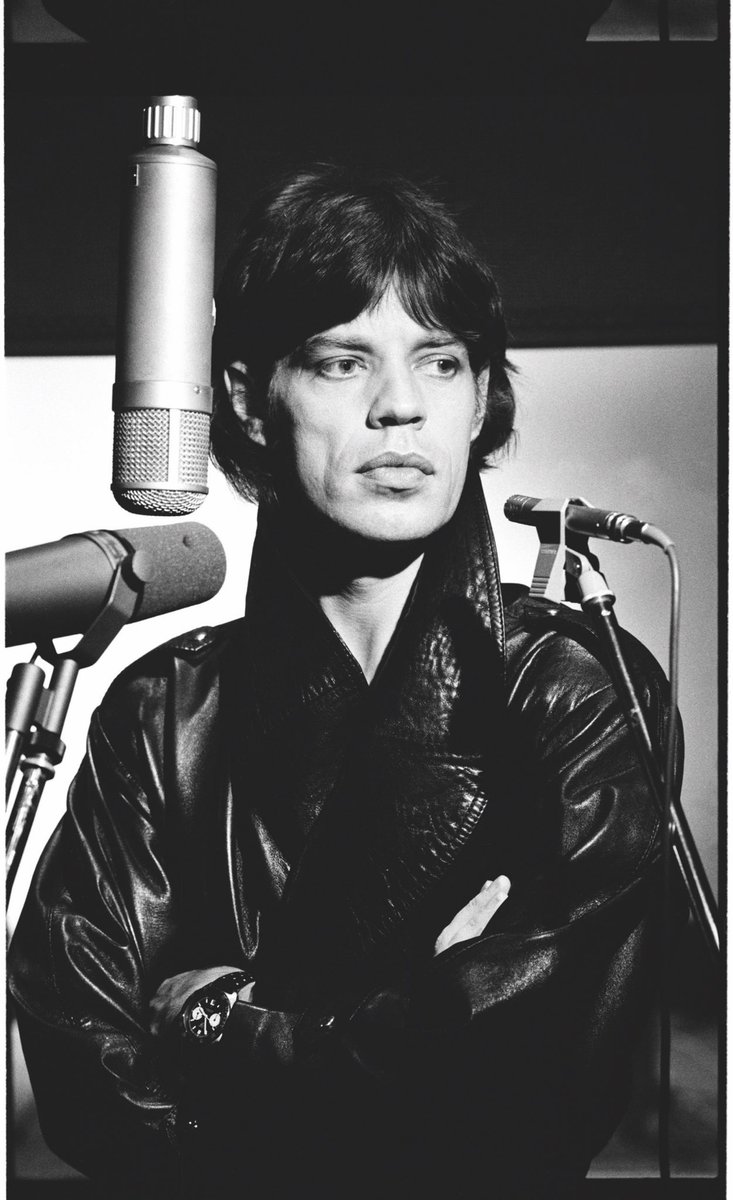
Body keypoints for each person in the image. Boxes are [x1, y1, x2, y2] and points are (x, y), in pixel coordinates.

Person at [8, 165, 679, 1199]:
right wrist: (410, 1018)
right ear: (248, 397)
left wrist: (219, 1021)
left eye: (440, 362)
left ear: (480, 400)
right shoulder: (161, 709)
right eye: (340, 362)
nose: (399, 406)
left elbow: (536, 1081)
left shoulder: (574, 686)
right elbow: (81, 1072)